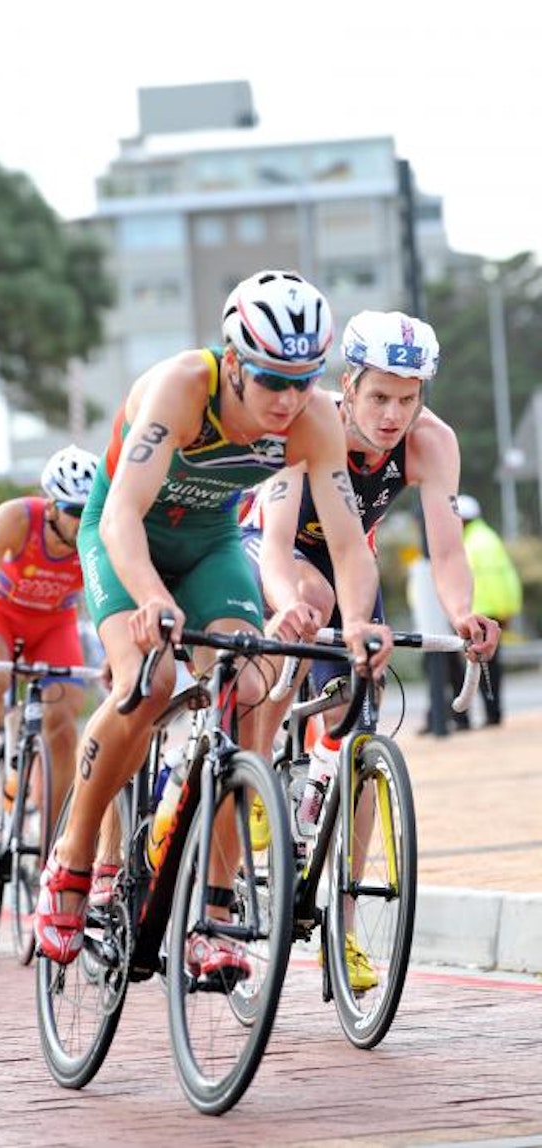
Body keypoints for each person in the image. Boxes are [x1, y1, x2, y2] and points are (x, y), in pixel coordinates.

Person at [32, 268, 393, 971]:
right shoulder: (180, 388)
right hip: (123, 537)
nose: (289, 399)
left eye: (304, 379)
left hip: (210, 543)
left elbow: (350, 544)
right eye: (270, 380)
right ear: (233, 362)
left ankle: (214, 914)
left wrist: (355, 623)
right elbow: (120, 516)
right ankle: (74, 859)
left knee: (248, 689)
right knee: (150, 679)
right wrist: (150, 599)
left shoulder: (315, 419)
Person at [240, 310, 502, 986]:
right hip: (274, 551)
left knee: (359, 736)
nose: (393, 415)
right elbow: (273, 543)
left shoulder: (431, 443)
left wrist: (465, 614)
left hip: (349, 562)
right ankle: (257, 775)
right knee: (312, 611)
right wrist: (289, 603)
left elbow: (447, 549)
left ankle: (344, 929)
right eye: (380, 397)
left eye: (408, 400)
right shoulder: (308, 423)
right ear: (348, 385)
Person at [0, 445, 100, 850]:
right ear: (51, 507)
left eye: (91, 509)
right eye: (73, 511)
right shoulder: (16, 518)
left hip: (54, 623)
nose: (84, 521)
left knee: (63, 724)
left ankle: (53, 851)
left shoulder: (101, 528)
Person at [458, 493, 522, 725]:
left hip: (475, 613)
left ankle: (474, 717)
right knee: (491, 666)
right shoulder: (489, 538)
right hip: (493, 612)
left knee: (478, 667)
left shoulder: (468, 544)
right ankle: (493, 713)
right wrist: (507, 610)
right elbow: (507, 579)